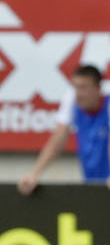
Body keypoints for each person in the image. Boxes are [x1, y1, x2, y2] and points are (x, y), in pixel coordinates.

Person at [18, 64, 110, 193]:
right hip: (92, 184)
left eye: (83, 87)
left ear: (98, 88)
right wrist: (34, 174)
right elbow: (58, 139)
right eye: (75, 87)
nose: (78, 93)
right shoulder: (71, 100)